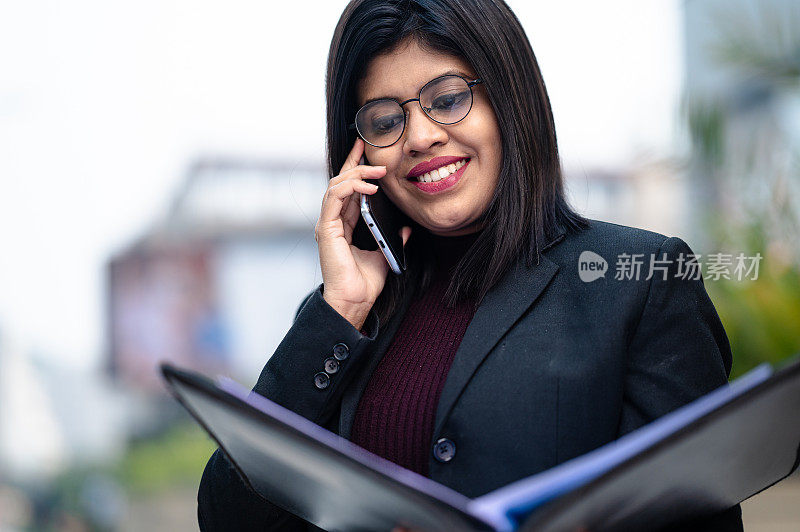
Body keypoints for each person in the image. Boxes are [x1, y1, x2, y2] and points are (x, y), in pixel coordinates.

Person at [197, 0, 744, 530]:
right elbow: (228, 518)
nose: (421, 137)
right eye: (386, 119)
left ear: (510, 101)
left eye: (450, 97)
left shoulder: (640, 279)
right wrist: (340, 309)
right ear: (359, 154)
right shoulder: (344, 321)